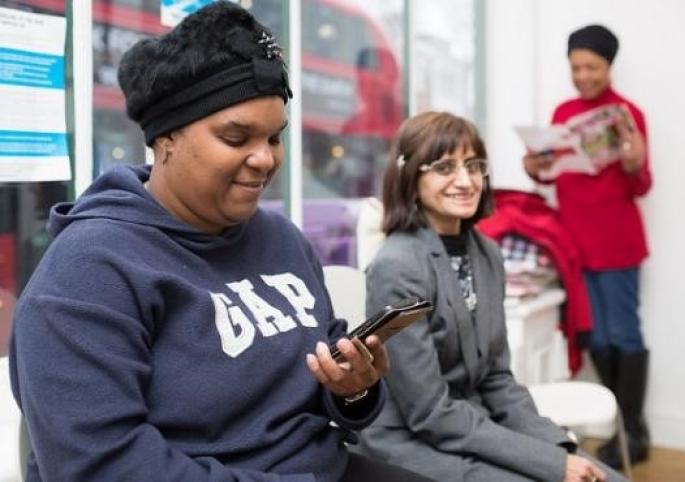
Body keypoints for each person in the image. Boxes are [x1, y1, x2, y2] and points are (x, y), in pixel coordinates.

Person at [8, 3, 435, 481]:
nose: (265, 159)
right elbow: (103, 466)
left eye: (274, 138)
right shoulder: (86, 274)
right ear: (165, 138)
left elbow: (328, 390)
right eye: (236, 138)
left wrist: (352, 387)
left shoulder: (282, 239)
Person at [357, 111, 624, 482]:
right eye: (445, 167)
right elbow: (428, 412)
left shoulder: (486, 253)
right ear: (411, 176)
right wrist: (548, 464)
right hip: (412, 443)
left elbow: (498, 381)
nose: (465, 181)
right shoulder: (397, 266)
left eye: (473, 165)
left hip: (472, 424)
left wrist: (559, 447)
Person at [523, 25, 652, 469]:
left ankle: (633, 429)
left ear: (608, 66)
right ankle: (615, 420)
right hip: (573, 243)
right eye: (576, 67)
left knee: (623, 333)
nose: (583, 76)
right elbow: (553, 174)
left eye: (591, 67)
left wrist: (634, 163)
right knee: (594, 334)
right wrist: (535, 166)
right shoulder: (564, 111)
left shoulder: (627, 113)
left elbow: (642, 183)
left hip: (618, 242)